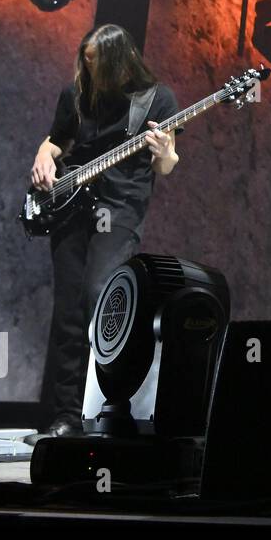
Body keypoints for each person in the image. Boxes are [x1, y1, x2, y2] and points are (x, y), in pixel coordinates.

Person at [31, 24, 181, 436]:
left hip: (120, 209)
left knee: (98, 298)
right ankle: (64, 415)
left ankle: (105, 408)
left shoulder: (156, 100)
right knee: (67, 312)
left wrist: (166, 152)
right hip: (69, 208)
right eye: (85, 60)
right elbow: (58, 139)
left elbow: (165, 166)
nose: (87, 69)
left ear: (120, 63)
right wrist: (44, 154)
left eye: (95, 63)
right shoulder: (75, 93)